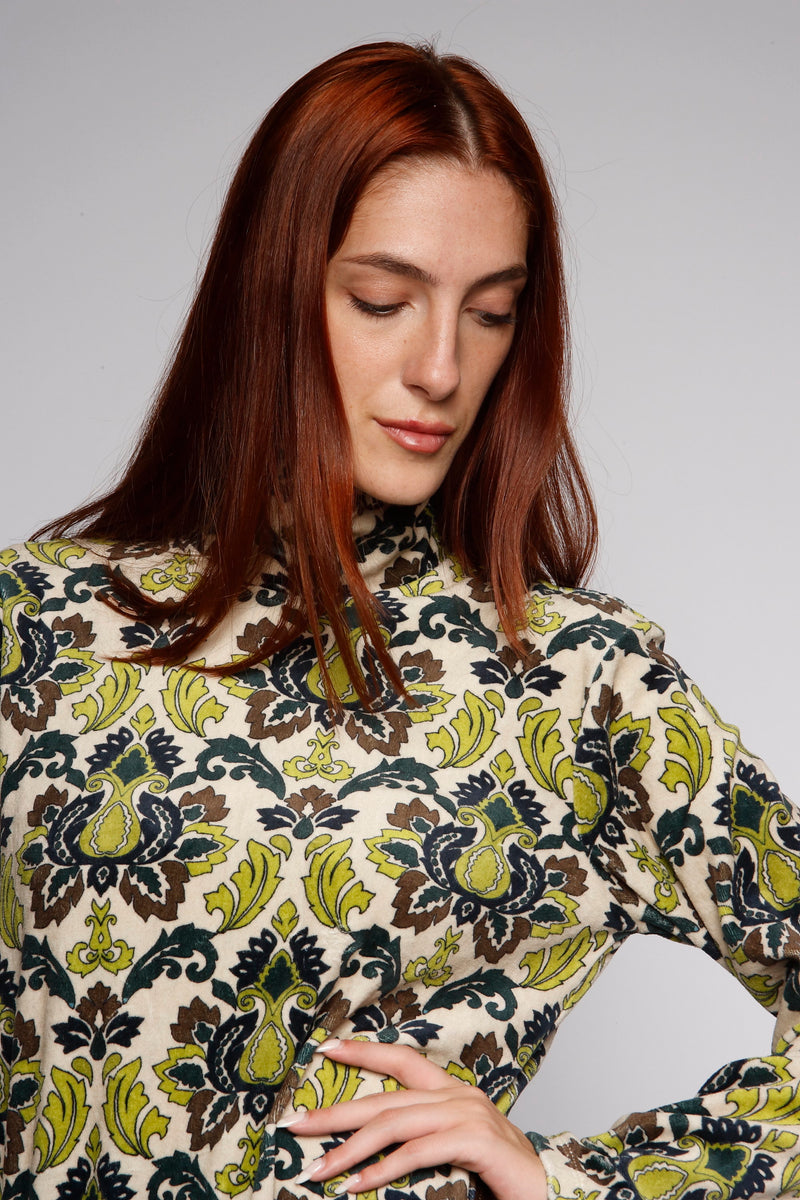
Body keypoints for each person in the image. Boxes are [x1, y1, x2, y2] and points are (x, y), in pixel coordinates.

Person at [0, 39, 797, 1200]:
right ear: (269, 291)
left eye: (491, 314)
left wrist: (573, 1181)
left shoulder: (574, 680)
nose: (439, 368)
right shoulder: (34, 625)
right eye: (383, 301)